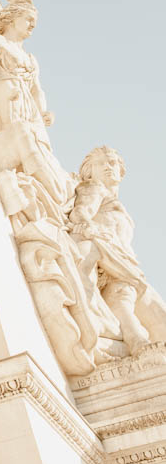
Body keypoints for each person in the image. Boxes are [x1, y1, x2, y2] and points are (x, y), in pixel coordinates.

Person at [0, 0, 70, 205]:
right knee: (16, 132)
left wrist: (44, 111)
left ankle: (42, 186)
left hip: (29, 106)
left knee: (35, 141)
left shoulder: (31, 58)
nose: (32, 25)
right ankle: (36, 182)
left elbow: (36, 89)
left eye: (34, 21)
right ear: (13, 19)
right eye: (28, 19)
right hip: (6, 93)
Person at [70, 146, 166, 355]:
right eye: (101, 163)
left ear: (121, 172)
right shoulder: (94, 187)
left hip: (125, 260)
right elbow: (82, 210)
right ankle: (137, 342)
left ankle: (138, 342)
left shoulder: (116, 201)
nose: (108, 167)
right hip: (104, 249)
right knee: (121, 297)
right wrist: (87, 223)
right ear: (89, 170)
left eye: (112, 163)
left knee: (156, 313)